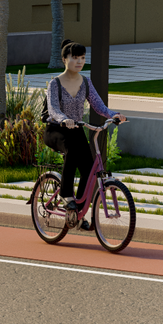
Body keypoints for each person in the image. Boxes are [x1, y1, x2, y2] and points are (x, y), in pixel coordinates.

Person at [43, 43, 120, 219]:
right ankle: (65, 194)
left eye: (83, 58)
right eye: (75, 58)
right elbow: (53, 108)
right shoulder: (55, 83)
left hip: (76, 130)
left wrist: (113, 115)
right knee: (72, 151)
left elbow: (98, 105)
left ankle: (78, 213)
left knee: (88, 169)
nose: (79, 62)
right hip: (56, 130)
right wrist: (64, 119)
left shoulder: (85, 82)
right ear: (64, 59)